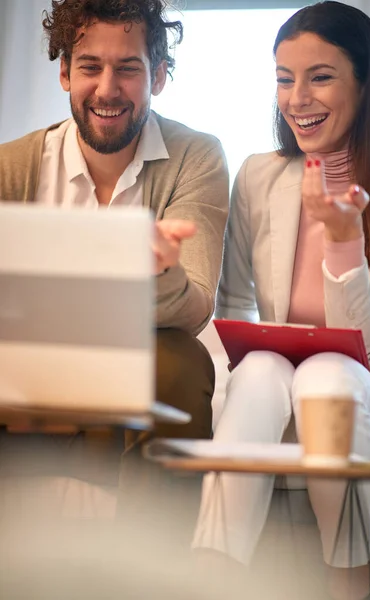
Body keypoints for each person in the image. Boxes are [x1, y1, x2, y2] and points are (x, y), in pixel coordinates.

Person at [192, 2, 370, 599]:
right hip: (269, 387)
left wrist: (343, 241)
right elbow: (229, 312)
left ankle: (348, 581)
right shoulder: (259, 176)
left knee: (328, 374)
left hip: (364, 395)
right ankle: (211, 578)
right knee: (256, 368)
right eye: (284, 78)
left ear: (366, 83)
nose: (297, 97)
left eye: (320, 77)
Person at [0, 0, 229, 441]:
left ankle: (155, 513)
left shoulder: (194, 158)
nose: (108, 89)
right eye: (90, 67)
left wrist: (160, 272)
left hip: (142, 360)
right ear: (64, 72)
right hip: (30, 361)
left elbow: (196, 308)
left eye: (127, 68)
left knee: (182, 358)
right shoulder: (11, 167)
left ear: (157, 76)